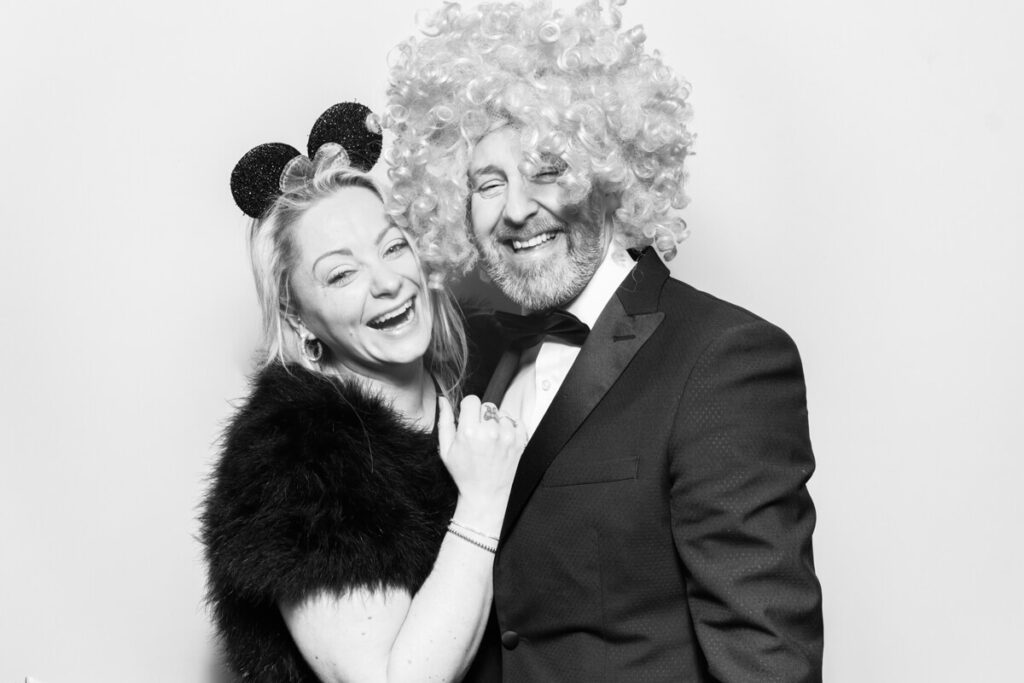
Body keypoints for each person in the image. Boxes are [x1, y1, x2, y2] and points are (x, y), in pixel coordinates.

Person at [385, 2, 825, 681]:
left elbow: (765, 658)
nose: (517, 210)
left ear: (610, 170)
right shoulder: (470, 361)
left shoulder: (725, 360)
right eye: (488, 183)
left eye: (547, 169)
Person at [201, 102, 525, 683]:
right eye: (341, 274)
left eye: (393, 246)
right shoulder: (294, 458)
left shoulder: (490, 369)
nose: (386, 282)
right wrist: (481, 500)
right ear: (298, 317)